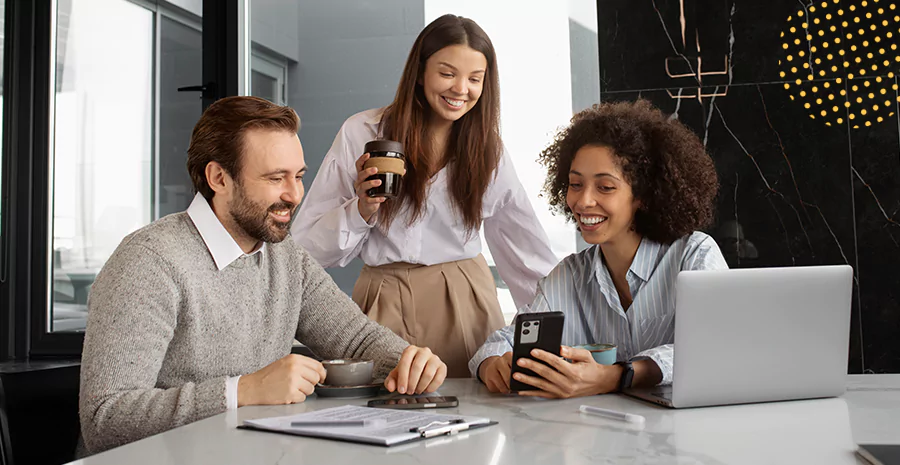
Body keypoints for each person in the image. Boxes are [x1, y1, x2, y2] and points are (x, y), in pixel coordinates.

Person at [79, 96, 446, 454]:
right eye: (275, 178)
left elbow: (355, 340)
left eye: (298, 176)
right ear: (219, 178)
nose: (294, 195)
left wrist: (408, 363)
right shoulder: (149, 261)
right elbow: (104, 419)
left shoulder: (284, 256)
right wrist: (242, 391)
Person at [292, 14, 557, 377]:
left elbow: (524, 250)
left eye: (475, 79)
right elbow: (306, 248)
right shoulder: (362, 132)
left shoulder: (487, 150)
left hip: (464, 298)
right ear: (419, 72)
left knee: (471, 415)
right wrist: (362, 209)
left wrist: (553, 336)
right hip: (381, 300)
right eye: (447, 74)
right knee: (377, 415)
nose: (461, 89)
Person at [470, 99, 728, 398]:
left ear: (643, 194)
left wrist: (618, 375)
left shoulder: (694, 255)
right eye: (575, 184)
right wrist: (493, 364)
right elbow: (501, 343)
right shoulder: (570, 275)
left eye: (605, 187)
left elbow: (718, 345)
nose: (583, 201)